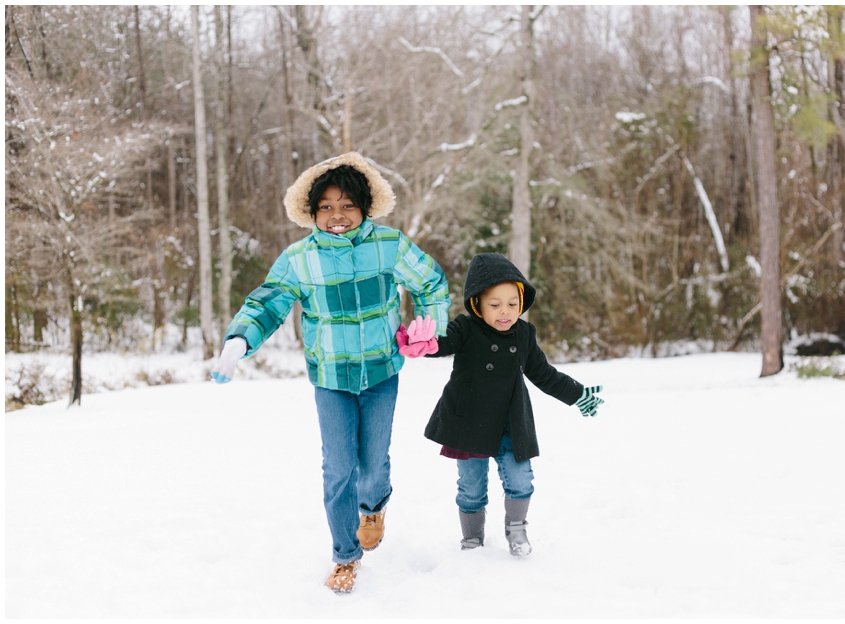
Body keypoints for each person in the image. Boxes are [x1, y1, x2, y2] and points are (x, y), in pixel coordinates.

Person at [211, 152, 449, 594]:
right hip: (331, 379)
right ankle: (345, 556)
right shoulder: (300, 258)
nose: (337, 216)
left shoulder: (389, 245)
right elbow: (269, 300)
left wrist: (429, 323)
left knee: (373, 464)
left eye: (347, 206)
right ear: (312, 211)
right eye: (326, 207)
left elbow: (431, 283)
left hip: (381, 372)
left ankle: (373, 507)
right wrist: (239, 340)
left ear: (364, 208)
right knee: (339, 467)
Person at [399, 252, 603, 555]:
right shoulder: (466, 329)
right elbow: (443, 343)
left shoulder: (524, 334)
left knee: (521, 479)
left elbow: (543, 374)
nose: (505, 312)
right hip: (468, 422)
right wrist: (424, 343)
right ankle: (472, 539)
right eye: (495, 304)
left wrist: (577, 395)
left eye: (512, 303)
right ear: (477, 304)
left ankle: (517, 530)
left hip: (510, 424)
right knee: (470, 488)